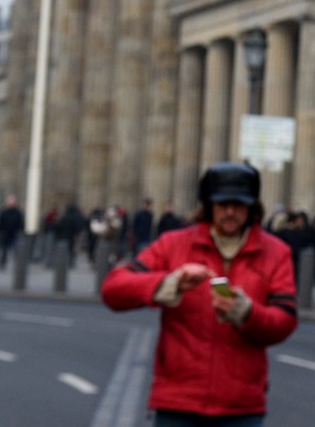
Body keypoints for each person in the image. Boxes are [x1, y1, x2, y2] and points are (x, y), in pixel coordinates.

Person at [101, 162, 296, 426]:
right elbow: (113, 289)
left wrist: (247, 312)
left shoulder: (276, 253)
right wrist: (169, 284)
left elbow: (285, 320)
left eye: (238, 205)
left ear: (252, 207)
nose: (230, 212)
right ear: (208, 205)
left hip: (240, 406)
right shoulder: (174, 244)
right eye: (222, 204)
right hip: (178, 402)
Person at [0, 194, 23, 269]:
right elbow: (0, 222)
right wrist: (0, 231)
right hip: (5, 234)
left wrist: (19, 231)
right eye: (10, 201)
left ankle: (18, 264)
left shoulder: (18, 212)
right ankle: (2, 264)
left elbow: (21, 223)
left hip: (14, 234)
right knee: (4, 250)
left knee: (16, 250)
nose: (11, 203)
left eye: (13, 202)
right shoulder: (4, 212)